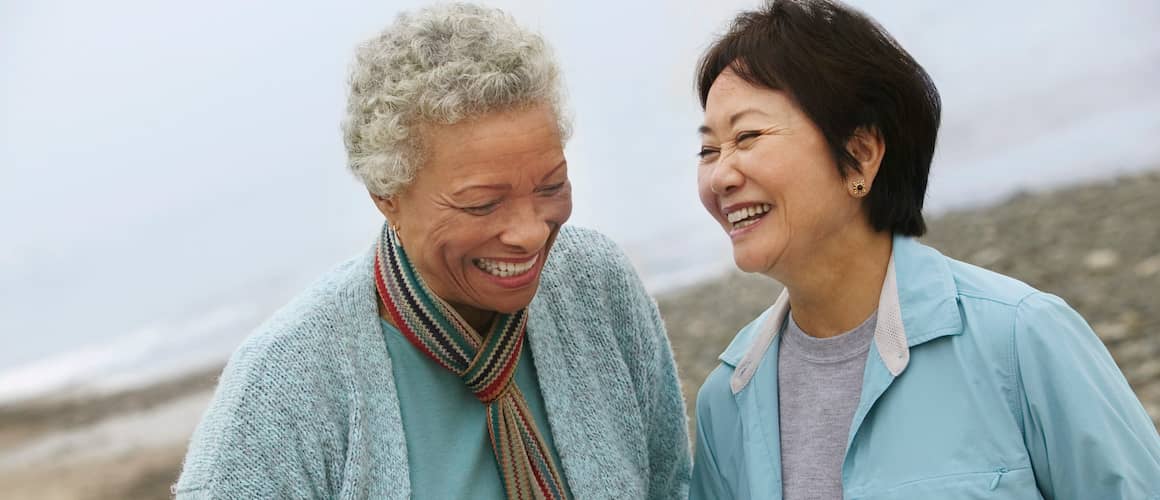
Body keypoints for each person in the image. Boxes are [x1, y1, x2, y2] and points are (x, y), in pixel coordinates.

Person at [173, 4, 690, 498]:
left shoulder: (594, 281)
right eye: (483, 204)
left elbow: (675, 486)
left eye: (551, 186)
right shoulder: (281, 389)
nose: (531, 233)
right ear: (387, 196)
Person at [687, 1, 1160, 499]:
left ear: (861, 155)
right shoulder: (729, 400)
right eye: (708, 150)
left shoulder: (1022, 338)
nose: (721, 175)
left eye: (748, 136)